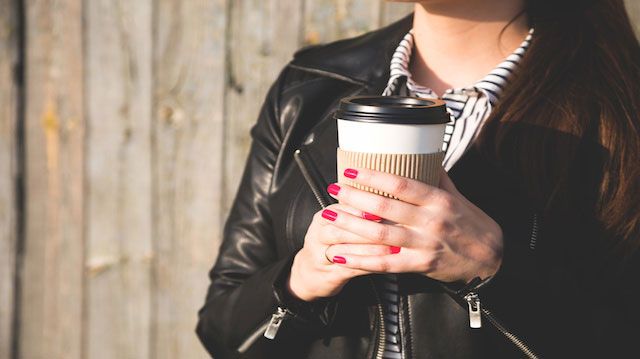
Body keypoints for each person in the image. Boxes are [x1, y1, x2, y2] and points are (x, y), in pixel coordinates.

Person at [196, 0, 640, 358]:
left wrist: (495, 273)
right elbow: (222, 332)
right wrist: (302, 281)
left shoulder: (621, 109)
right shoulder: (308, 88)